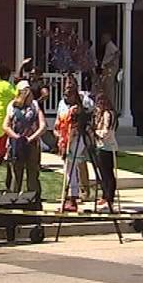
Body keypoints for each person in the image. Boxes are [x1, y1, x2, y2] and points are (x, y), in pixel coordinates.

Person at [55, 77, 93, 212]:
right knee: (68, 168)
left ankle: (73, 197)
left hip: (77, 139)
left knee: (72, 168)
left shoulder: (82, 102)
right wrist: (59, 137)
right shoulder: (61, 104)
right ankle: (69, 196)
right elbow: (58, 122)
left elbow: (89, 111)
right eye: (66, 87)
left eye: (71, 86)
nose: (67, 90)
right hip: (64, 139)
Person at [3, 80, 45, 201]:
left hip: (32, 145)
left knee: (32, 173)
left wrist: (31, 138)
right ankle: (13, 199)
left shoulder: (35, 105)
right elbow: (6, 126)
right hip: (16, 146)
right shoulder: (12, 106)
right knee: (16, 173)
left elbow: (42, 126)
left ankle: (33, 198)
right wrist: (17, 137)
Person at [92, 91, 118, 210]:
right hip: (100, 146)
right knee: (102, 173)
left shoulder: (109, 114)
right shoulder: (100, 114)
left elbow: (106, 131)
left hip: (108, 147)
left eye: (102, 102)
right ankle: (105, 195)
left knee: (108, 174)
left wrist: (96, 133)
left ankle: (110, 197)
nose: (99, 105)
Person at [98, 32, 120, 113]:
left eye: (103, 37)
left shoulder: (110, 45)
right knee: (105, 88)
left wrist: (110, 63)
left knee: (109, 88)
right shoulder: (107, 46)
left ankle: (110, 108)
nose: (102, 39)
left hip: (109, 69)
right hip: (106, 69)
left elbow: (117, 53)